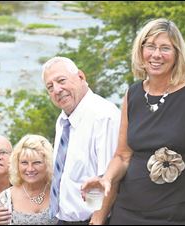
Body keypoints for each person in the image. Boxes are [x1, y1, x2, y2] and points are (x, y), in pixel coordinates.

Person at [81, 18, 185, 225]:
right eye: (150, 46)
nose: (156, 54)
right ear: (141, 50)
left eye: (165, 48)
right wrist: (105, 180)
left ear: (177, 54)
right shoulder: (133, 94)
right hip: (126, 212)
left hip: (172, 216)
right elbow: (123, 156)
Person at [42, 56, 121, 224]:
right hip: (61, 219)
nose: (56, 90)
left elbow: (109, 179)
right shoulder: (63, 120)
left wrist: (97, 219)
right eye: (50, 87)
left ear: (81, 77)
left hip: (91, 221)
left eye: (61, 80)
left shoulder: (103, 116)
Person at [0, 134, 57, 225]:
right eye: (24, 163)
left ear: (48, 164)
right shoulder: (7, 198)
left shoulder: (59, 193)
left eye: (37, 162)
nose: (30, 169)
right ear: (17, 164)